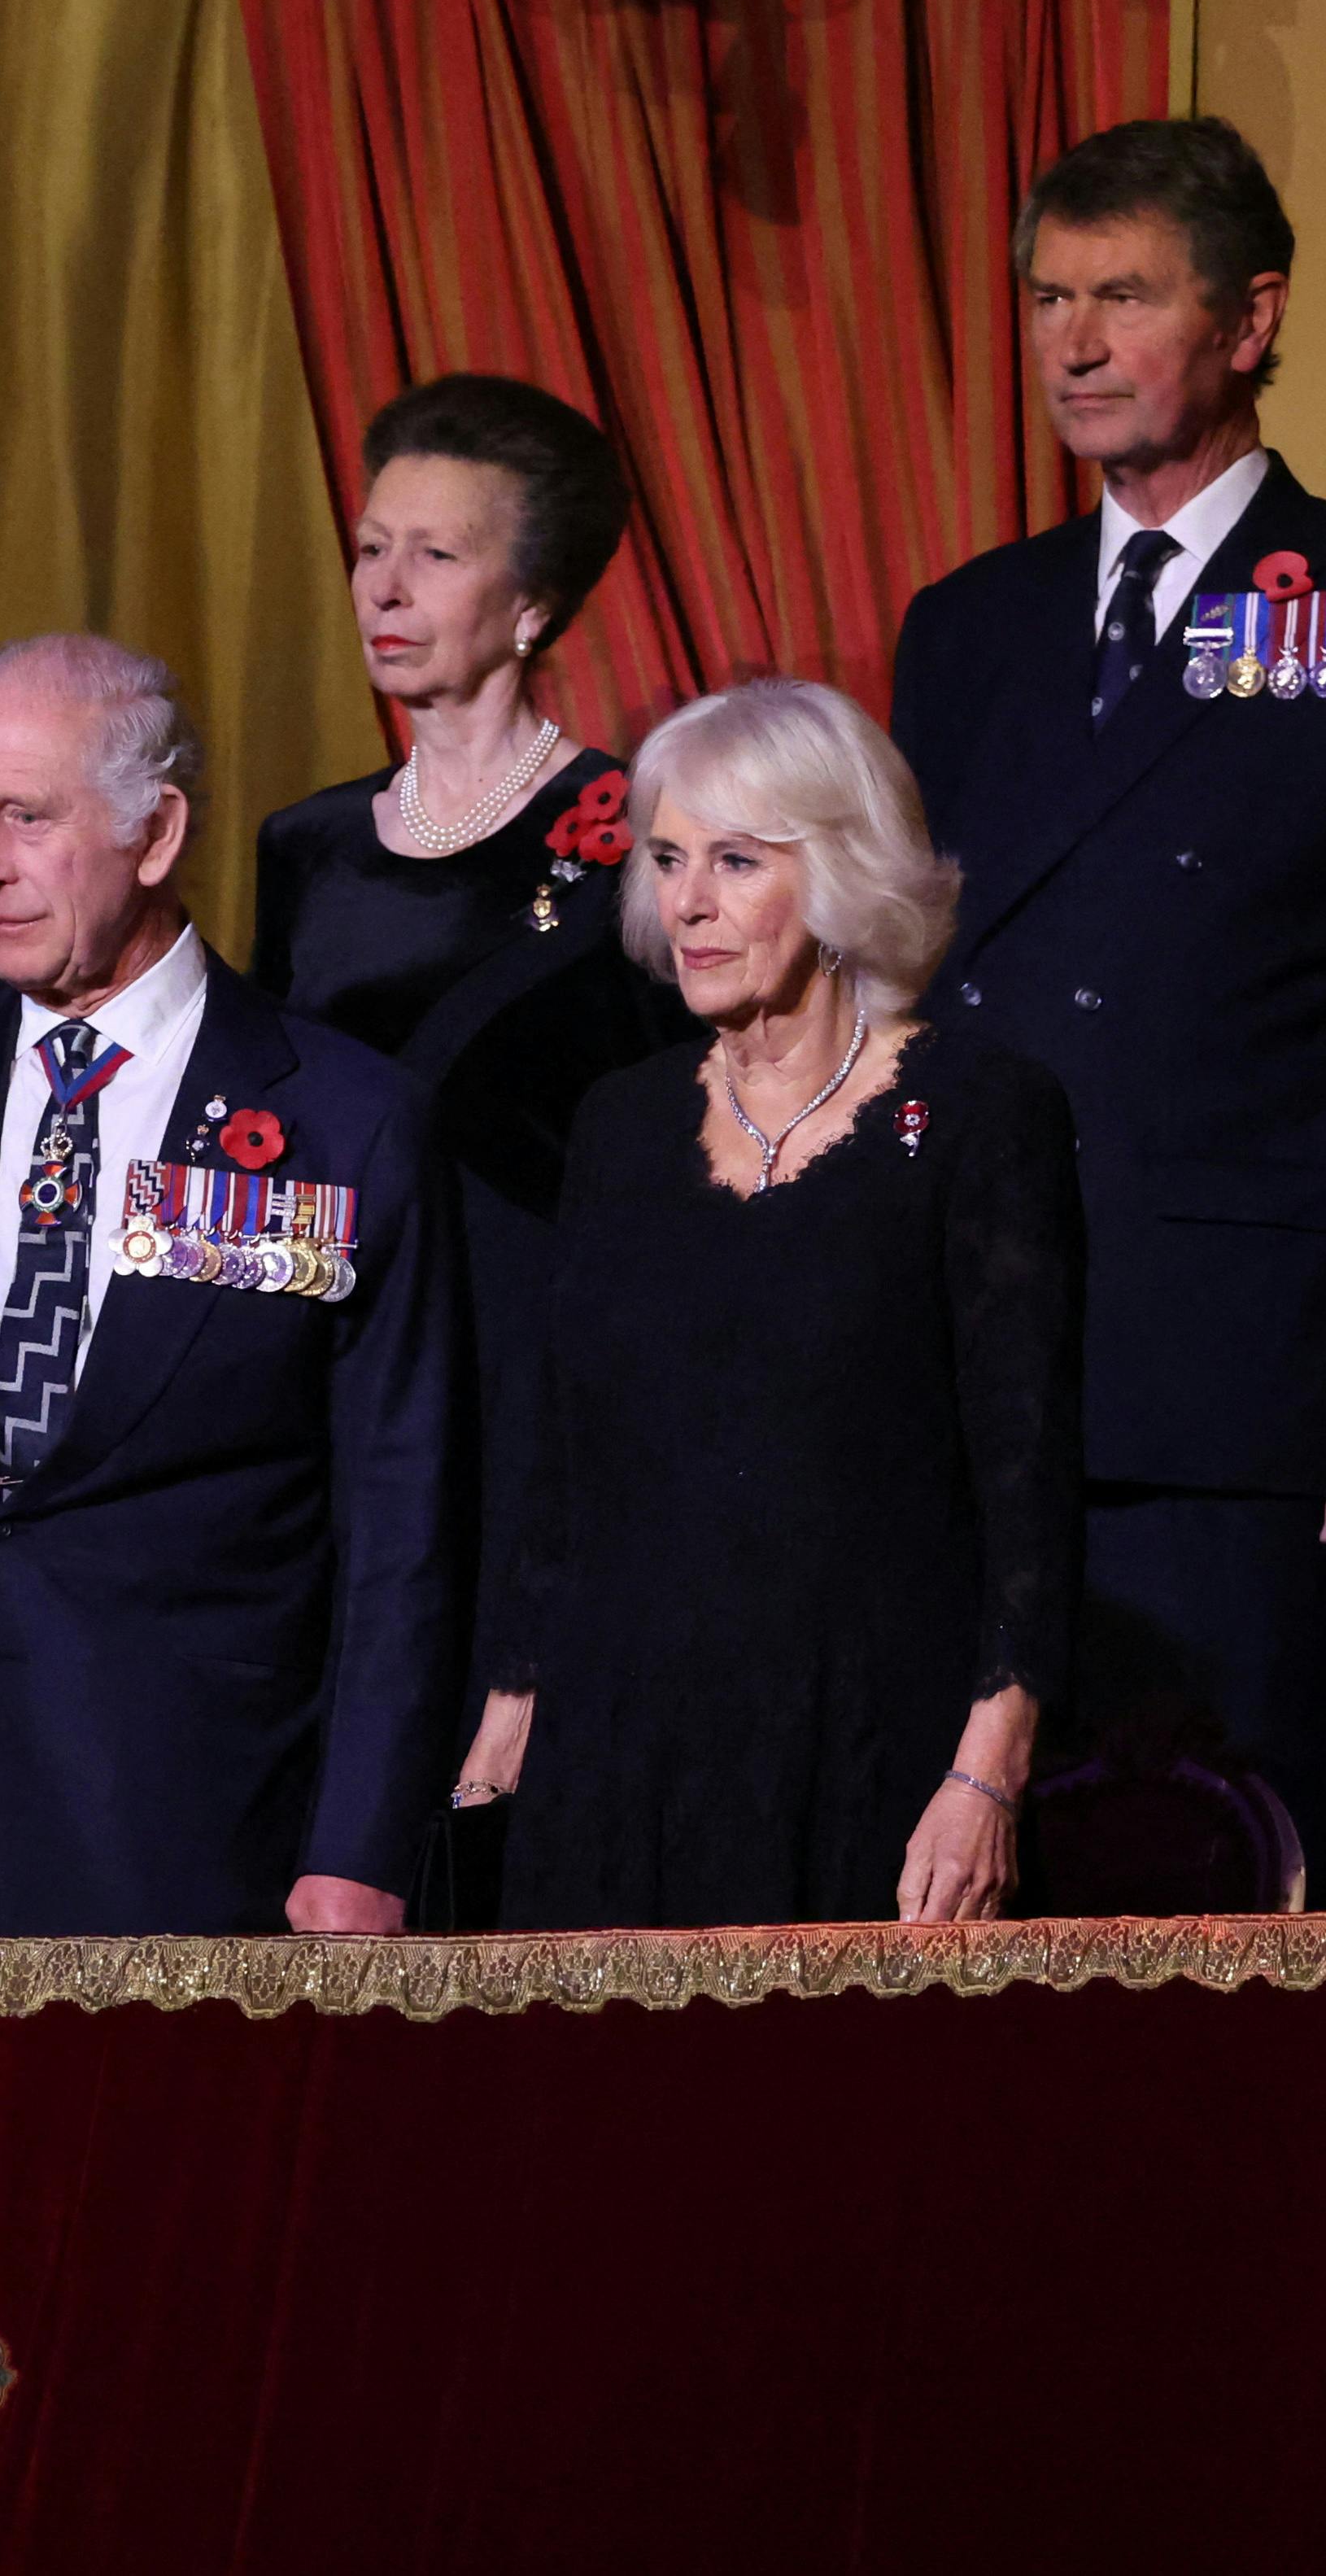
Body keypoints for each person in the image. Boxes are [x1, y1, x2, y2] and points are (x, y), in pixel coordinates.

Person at [888, 116, 1326, 1886]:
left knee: (1216, 1895)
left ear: (1247, 322)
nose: (1071, 343)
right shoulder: (967, 627)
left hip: (1244, 1381)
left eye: (1121, 297)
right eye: (1044, 298)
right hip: (973, 1359)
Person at [0, 635, 460, 1939]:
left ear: (156, 832)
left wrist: (362, 1842)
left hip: (187, 1825)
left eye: (28, 817)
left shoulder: (344, 1123)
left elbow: (401, 1522)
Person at [458, 679, 1083, 1928]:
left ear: (843, 874)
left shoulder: (969, 1115)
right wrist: (505, 1721)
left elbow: (1027, 1486)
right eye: (668, 858)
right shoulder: (620, 1125)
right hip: (615, 1752)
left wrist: (987, 1770)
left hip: (866, 1752)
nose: (683, 904)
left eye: (735, 863)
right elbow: (564, 1473)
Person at [251, 374, 686, 1717]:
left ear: (532, 603)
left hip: (534, 1376)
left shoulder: (634, 829)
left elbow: (683, 1147)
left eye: (434, 556)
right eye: (372, 548)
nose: (383, 587)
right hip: (338, 1366)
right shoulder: (305, 843)